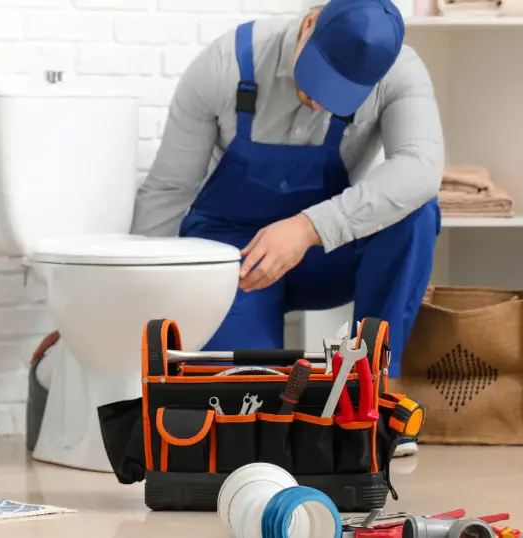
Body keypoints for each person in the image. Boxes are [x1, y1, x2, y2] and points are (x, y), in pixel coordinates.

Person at [130, 0, 444, 456]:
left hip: (321, 252)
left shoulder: (400, 72)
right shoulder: (226, 63)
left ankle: (370, 394)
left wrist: (308, 228)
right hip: (237, 261)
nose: (320, 100)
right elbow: (168, 190)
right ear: (309, 23)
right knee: (248, 409)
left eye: (340, 92)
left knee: (416, 212)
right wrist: (134, 304)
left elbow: (421, 169)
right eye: (318, 78)